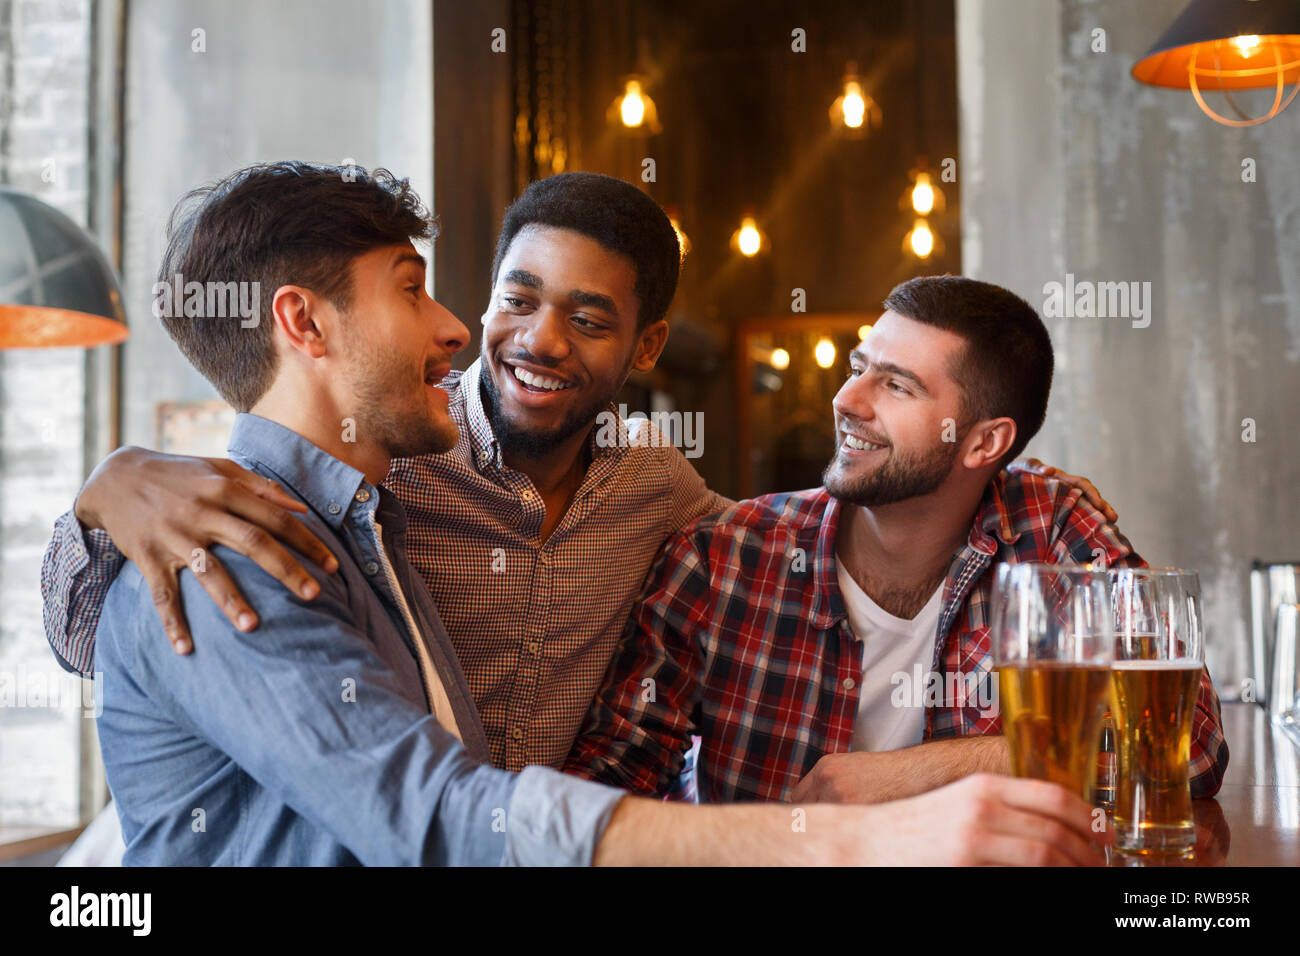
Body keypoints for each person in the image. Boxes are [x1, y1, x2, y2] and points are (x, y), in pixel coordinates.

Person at [89, 160, 1105, 866]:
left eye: (589, 318)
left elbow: (787, 537)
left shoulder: (651, 495)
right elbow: (435, 815)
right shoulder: (337, 496)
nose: (511, 336)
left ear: (646, 346)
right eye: (509, 298)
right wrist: (106, 498)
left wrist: (1013, 486)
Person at [564, 276, 1230, 804]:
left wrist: (923, 773)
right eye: (860, 366)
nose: (847, 399)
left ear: (984, 442)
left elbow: (1186, 743)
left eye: (896, 385)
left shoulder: (1048, 526)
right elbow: (612, 782)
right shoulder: (727, 557)